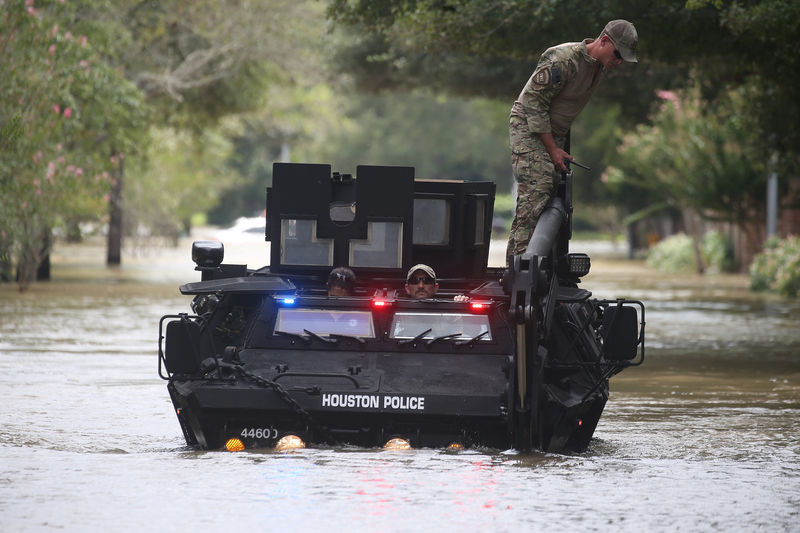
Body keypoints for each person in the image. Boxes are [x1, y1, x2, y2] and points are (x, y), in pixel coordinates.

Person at [506, 19, 638, 261]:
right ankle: (518, 268)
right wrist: (553, 149)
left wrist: (558, 146)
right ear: (604, 40)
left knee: (558, 194)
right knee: (538, 186)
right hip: (528, 125)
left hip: (555, 132)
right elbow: (534, 105)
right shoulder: (562, 59)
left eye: (623, 59)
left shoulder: (598, 66)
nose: (619, 62)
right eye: (618, 54)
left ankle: (545, 265)